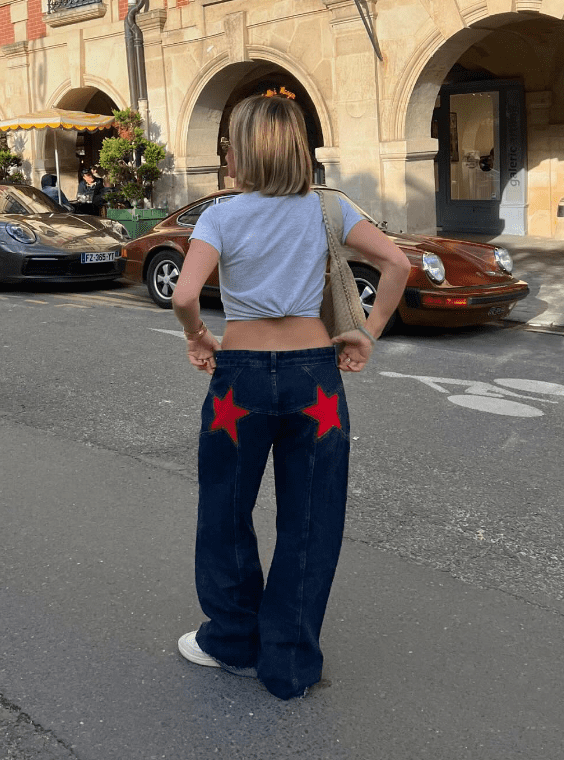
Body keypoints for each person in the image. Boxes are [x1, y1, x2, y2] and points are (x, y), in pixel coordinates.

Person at [171, 94, 411, 700]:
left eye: (229, 144)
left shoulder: (219, 216)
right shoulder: (329, 209)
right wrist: (367, 332)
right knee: (312, 518)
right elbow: (398, 264)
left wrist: (200, 338)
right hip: (314, 375)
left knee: (225, 509)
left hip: (241, 375)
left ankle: (231, 641)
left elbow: (184, 296)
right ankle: (290, 664)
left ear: (244, 151)